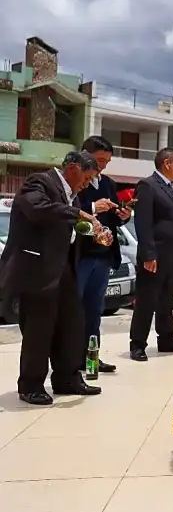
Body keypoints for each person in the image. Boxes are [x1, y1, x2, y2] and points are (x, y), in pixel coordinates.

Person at [1, 151, 105, 405]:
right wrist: (78, 214)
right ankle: (31, 384)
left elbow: (66, 230)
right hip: (37, 267)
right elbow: (37, 209)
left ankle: (67, 378)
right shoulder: (39, 182)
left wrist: (96, 234)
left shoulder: (73, 196)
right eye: (87, 177)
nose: (87, 183)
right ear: (72, 167)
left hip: (64, 266)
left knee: (71, 323)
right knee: (39, 328)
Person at [74, 136, 132, 374]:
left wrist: (123, 215)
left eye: (107, 161)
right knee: (74, 309)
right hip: (81, 255)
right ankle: (69, 359)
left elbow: (113, 216)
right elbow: (71, 211)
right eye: (99, 160)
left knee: (94, 311)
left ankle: (91, 359)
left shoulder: (107, 183)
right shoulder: (75, 182)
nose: (103, 166)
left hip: (103, 255)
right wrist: (92, 208)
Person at [129, 148, 173, 361]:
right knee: (147, 301)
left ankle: (166, 338)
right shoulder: (148, 186)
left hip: (172, 256)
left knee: (166, 300)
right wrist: (148, 254)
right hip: (154, 256)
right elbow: (143, 222)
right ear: (166, 163)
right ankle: (137, 344)